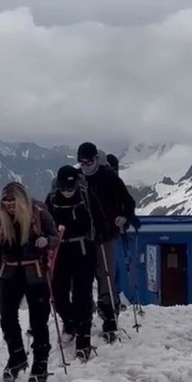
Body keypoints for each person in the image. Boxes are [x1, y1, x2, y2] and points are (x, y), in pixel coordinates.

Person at [0, 181, 59, 382]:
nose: (9, 207)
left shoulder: (39, 213)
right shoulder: (0, 217)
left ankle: (40, 361)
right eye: (6, 203)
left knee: (38, 319)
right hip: (10, 271)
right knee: (6, 315)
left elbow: (55, 237)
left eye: (13, 202)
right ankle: (17, 355)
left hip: (35, 270)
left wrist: (46, 240)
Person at [45, 165, 108, 360]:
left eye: (70, 188)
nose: (67, 192)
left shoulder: (86, 196)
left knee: (82, 295)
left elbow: (99, 218)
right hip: (60, 251)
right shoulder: (52, 200)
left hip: (83, 250)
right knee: (58, 294)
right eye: (64, 188)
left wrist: (100, 235)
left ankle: (83, 339)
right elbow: (43, 223)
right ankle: (70, 321)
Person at [76, 142, 136, 341]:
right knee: (83, 278)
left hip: (106, 235)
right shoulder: (77, 180)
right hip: (83, 238)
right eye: (82, 163)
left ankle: (109, 316)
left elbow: (128, 202)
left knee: (106, 275)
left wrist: (124, 217)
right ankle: (86, 314)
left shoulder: (109, 177)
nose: (85, 166)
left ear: (96, 160)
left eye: (89, 162)